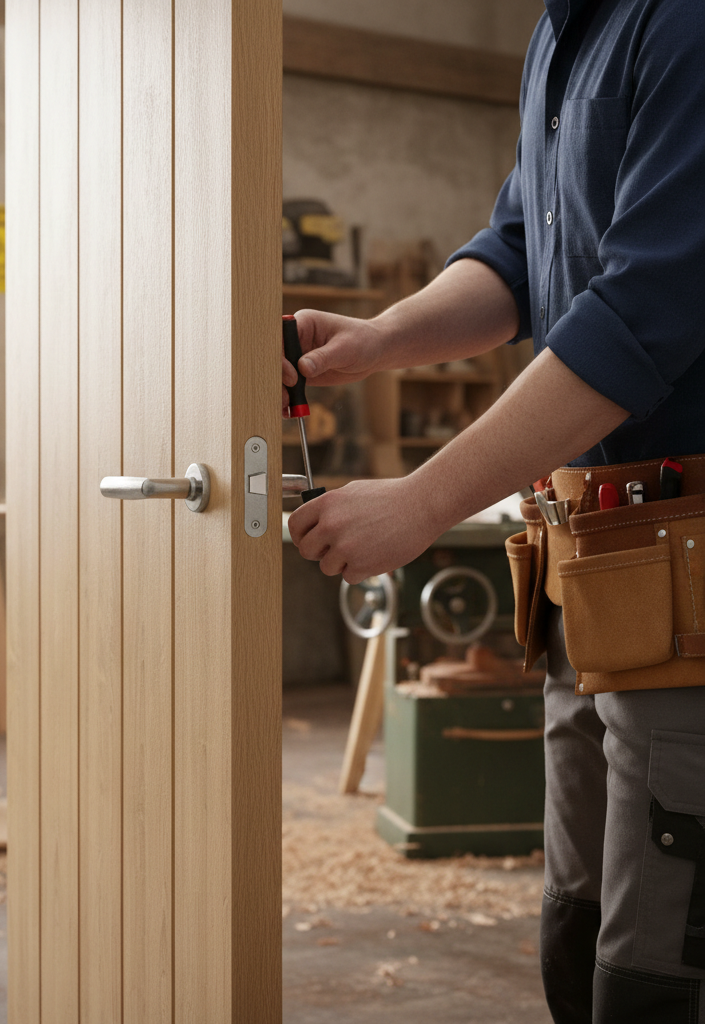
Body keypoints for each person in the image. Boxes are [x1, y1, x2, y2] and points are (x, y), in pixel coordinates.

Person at [283, 1, 705, 1021]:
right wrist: (377, 338)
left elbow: (641, 313)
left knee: (658, 965)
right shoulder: (560, 36)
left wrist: (424, 499)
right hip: (585, 560)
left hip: (684, 569)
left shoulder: (684, 21)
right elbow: (519, 252)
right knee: (576, 920)